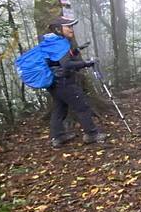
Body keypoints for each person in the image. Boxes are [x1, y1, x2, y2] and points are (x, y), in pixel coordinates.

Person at [45, 16, 107, 148]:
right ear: (58, 29)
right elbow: (66, 64)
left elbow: (57, 60)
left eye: (71, 26)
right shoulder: (60, 43)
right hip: (64, 82)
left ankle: (57, 137)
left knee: (59, 109)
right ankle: (91, 134)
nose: (71, 29)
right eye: (68, 26)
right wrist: (86, 63)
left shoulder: (52, 42)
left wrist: (76, 51)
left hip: (53, 82)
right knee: (82, 107)